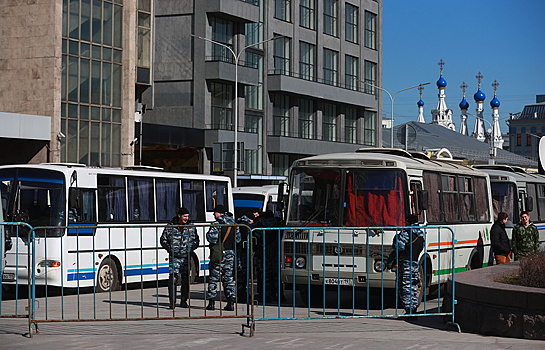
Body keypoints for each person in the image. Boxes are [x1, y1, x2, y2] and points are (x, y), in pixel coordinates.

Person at [160, 207, 199, 309]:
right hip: (175, 257)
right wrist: (170, 250)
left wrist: (191, 249)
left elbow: (196, 240)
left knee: (186, 279)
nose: (186, 218)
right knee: (173, 278)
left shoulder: (191, 227)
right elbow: (163, 240)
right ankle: (172, 302)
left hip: (186, 257)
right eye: (184, 216)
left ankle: (183, 301)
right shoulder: (170, 227)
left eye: (187, 216)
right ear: (179, 216)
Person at [206, 205, 241, 311]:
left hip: (218, 254)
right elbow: (238, 239)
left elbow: (212, 238)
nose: (214, 215)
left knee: (213, 278)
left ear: (218, 213)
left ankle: (211, 303)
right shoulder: (234, 224)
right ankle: (230, 302)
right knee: (228, 278)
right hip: (230, 254)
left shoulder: (216, 224)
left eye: (215, 213)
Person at [391, 214, 424, 315]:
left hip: (406, 264)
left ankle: (409, 311)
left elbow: (399, 247)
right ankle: (413, 309)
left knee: (405, 287)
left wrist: (397, 238)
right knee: (413, 286)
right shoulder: (420, 234)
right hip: (415, 263)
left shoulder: (406, 233)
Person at [236, 212, 257, 303]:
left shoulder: (237, 224)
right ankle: (242, 294)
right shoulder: (247, 227)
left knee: (239, 275)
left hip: (238, 252)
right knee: (244, 274)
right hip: (244, 253)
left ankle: (240, 293)